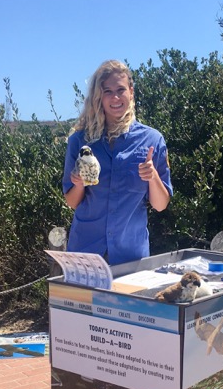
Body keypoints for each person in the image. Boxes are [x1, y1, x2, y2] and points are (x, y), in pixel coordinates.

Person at [62, 60, 172, 265]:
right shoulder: (79, 140)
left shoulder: (152, 140)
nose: (115, 97)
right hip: (85, 254)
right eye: (107, 91)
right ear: (99, 97)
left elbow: (160, 205)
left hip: (130, 257)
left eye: (120, 90)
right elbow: (72, 202)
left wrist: (153, 177)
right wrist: (78, 184)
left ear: (131, 91)